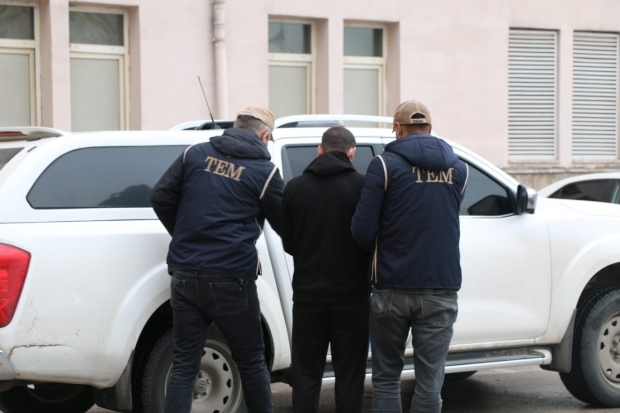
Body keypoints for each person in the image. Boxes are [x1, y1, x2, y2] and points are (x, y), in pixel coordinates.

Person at [150, 106, 283, 413]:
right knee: (251, 361)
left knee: (184, 363)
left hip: (185, 273)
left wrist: (184, 235)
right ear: (265, 136)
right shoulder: (264, 173)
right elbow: (287, 224)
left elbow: (160, 197)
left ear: (235, 127)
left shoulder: (194, 154)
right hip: (232, 278)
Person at [351, 100, 468, 413]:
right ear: (430, 128)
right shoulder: (459, 168)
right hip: (441, 287)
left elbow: (362, 230)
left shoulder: (384, 165)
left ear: (398, 129)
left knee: (387, 378)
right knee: (430, 382)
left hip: (392, 286)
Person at [281, 126, 371, 413]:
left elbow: (289, 242)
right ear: (352, 153)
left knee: (306, 374)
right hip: (352, 297)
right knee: (350, 376)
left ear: (320, 150)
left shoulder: (294, 187)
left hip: (307, 296)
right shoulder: (363, 187)